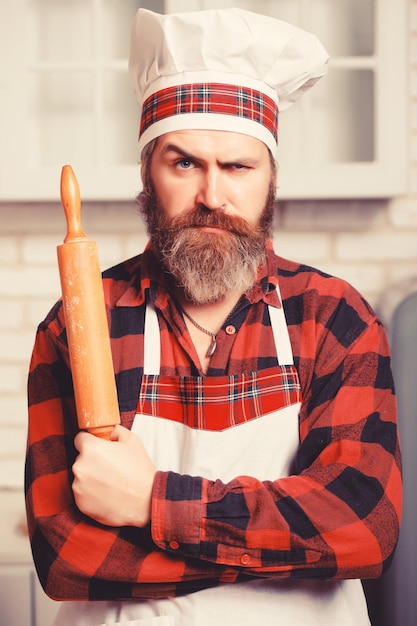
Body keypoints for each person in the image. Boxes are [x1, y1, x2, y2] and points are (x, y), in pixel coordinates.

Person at [25, 7, 402, 626]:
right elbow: (69, 557)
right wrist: (294, 547)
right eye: (184, 163)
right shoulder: (79, 324)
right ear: (147, 172)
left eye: (237, 166)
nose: (212, 196)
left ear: (270, 179)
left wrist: (152, 505)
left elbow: (364, 526)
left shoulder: (335, 318)